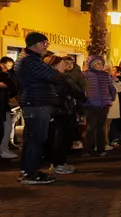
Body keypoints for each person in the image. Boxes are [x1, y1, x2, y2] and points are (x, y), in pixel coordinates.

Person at [15, 33, 64, 184]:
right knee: (37, 139)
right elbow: (53, 75)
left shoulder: (31, 60)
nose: (46, 46)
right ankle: (31, 174)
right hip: (37, 104)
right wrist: (58, 73)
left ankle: (28, 170)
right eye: (44, 43)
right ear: (34, 44)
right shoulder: (30, 61)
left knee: (32, 139)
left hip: (35, 103)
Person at [83, 55, 116, 157]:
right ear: (92, 65)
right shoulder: (86, 75)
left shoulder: (106, 75)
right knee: (90, 127)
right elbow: (81, 88)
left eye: (101, 64)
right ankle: (87, 149)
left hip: (104, 104)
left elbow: (112, 87)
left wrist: (110, 98)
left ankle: (101, 149)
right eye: (97, 64)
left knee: (101, 127)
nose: (100, 65)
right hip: (91, 104)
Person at [0, 56, 18, 159]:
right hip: (3, 105)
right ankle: (3, 150)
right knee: (6, 127)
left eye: (11, 66)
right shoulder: (4, 75)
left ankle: (4, 148)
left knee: (7, 127)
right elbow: (13, 87)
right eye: (8, 65)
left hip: (5, 104)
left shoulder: (8, 74)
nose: (9, 68)